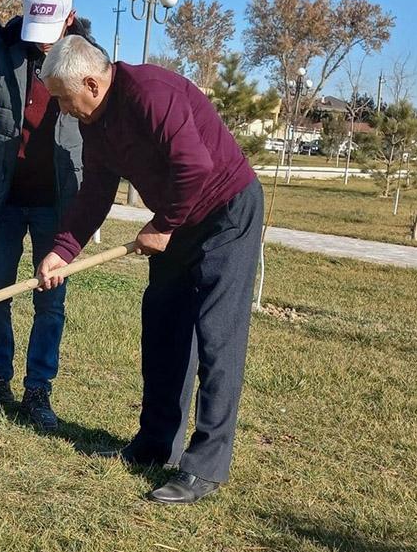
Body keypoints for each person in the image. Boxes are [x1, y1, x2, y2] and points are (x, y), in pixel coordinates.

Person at [36, 35, 263, 504]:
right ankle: (155, 443)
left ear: (91, 83)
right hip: (180, 219)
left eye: (61, 96)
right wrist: (64, 249)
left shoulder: (150, 94)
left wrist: (162, 226)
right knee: (162, 324)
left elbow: (195, 167)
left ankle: (204, 467)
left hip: (225, 210)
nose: (60, 107)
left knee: (216, 336)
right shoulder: (94, 122)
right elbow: (96, 190)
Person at [0, 0, 99, 431]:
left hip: (58, 203)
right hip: (3, 196)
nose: (39, 47)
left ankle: (38, 391)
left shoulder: (87, 58)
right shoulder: (3, 46)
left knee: (49, 301)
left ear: (69, 21)